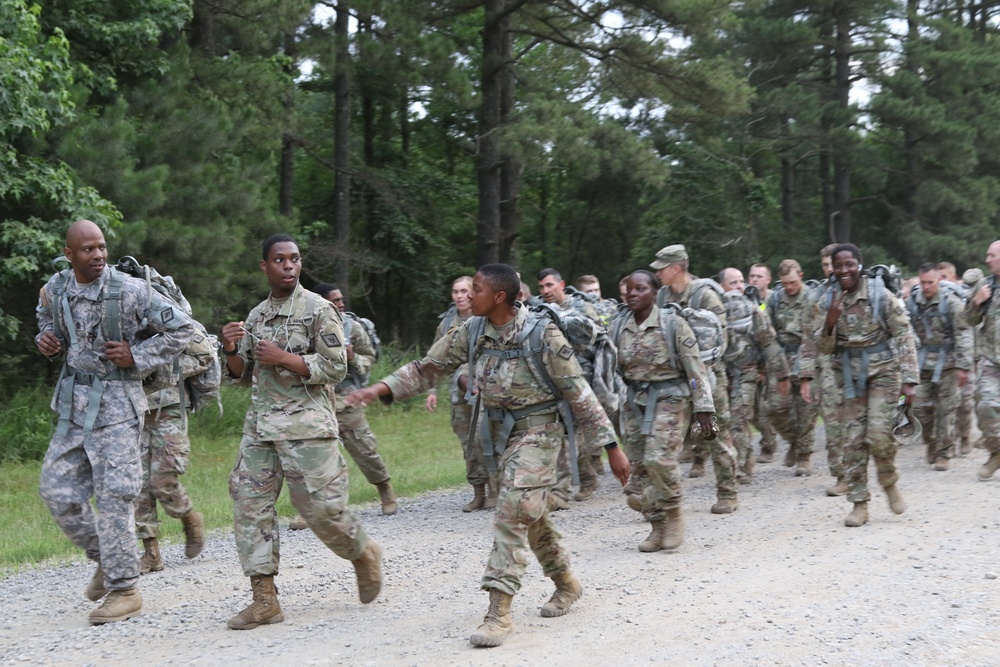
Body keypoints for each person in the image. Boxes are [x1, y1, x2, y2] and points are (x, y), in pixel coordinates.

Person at [345, 263, 629, 648]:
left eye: (476, 289)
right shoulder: (474, 329)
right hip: (497, 436)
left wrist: (611, 448)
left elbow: (578, 392)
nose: (468, 295)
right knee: (531, 513)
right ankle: (566, 583)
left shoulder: (542, 334)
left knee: (511, 511)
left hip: (540, 433)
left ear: (498, 297)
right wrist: (379, 388)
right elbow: (429, 367)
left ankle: (499, 610)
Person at [35, 220, 196, 624]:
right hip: (74, 408)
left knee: (115, 499)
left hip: (119, 408)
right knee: (56, 490)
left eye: (102, 247)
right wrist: (46, 341)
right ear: (70, 254)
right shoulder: (56, 289)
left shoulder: (129, 289)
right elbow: (45, 321)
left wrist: (137, 357)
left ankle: (125, 590)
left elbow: (183, 329)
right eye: (88, 249)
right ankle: (107, 559)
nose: (98, 255)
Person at [219, 234, 382, 630]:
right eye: (279, 260)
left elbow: (337, 367)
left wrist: (285, 358)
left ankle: (362, 553)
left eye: (294, 259)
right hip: (261, 428)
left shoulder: (319, 309)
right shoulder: (256, 316)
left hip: (307, 425)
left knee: (323, 512)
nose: (288, 266)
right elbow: (241, 375)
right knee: (248, 504)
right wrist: (228, 349)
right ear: (265, 266)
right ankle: (265, 600)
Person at [815, 244, 918, 527]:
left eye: (849, 264)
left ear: (859, 265)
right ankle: (859, 504)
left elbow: (904, 337)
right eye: (839, 266)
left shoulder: (880, 296)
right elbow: (822, 348)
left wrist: (909, 381)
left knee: (879, 436)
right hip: (848, 378)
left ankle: (889, 482)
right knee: (853, 442)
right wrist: (830, 323)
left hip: (883, 374)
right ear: (833, 269)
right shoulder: (827, 299)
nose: (844, 270)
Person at [613, 270, 715, 551]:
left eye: (640, 288)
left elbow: (695, 370)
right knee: (640, 466)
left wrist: (704, 407)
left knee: (659, 458)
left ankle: (674, 513)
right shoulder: (618, 325)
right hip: (634, 400)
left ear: (655, 292)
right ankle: (657, 527)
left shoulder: (674, 324)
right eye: (629, 289)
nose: (632, 294)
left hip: (670, 397)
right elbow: (610, 367)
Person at [651, 244, 739, 514]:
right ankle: (663, 500)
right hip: (676, 379)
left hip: (707, 377)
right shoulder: (663, 297)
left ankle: (728, 492)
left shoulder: (706, 295)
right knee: (666, 438)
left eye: (661, 269)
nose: (657, 275)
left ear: (676, 268)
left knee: (716, 433)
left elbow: (722, 337)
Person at [313, 283, 397, 515]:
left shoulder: (352, 328)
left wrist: (353, 359)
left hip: (346, 397)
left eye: (341, 300)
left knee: (363, 447)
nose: (341, 304)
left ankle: (385, 489)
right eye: (335, 300)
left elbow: (369, 358)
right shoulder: (306, 327)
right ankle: (317, 509)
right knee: (315, 456)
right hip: (315, 399)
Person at [425, 276, 495, 512]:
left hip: (485, 387)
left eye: (464, 291)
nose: (459, 296)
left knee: (485, 437)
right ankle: (478, 492)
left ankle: (495, 489)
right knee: (467, 442)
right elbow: (435, 357)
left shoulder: (486, 317)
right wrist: (432, 390)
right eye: (455, 291)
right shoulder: (447, 323)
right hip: (458, 393)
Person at [537, 268, 605, 505]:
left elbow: (599, 339)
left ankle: (578, 482)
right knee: (563, 432)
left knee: (576, 433)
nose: (545, 291)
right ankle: (571, 484)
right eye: (541, 287)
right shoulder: (540, 312)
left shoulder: (582, 308)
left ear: (561, 284)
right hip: (554, 380)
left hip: (582, 378)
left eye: (549, 285)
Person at [719, 268, 790, 483]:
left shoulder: (753, 310)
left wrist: (782, 375)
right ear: (722, 286)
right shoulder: (713, 312)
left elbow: (769, 343)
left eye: (741, 281)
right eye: (733, 282)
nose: (740, 286)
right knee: (723, 422)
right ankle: (726, 463)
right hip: (721, 375)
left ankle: (742, 467)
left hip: (747, 372)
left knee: (739, 420)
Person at [135, 363, 205, 573]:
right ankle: (151, 552)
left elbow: (203, 358)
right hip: (128, 406)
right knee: (136, 482)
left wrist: (154, 366)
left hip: (168, 404)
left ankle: (188, 517)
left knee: (162, 479)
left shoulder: (174, 328)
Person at [907, 264, 973, 471]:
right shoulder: (912, 304)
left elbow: (964, 335)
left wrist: (963, 367)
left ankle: (944, 453)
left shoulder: (952, 304)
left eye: (931, 282)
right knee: (918, 407)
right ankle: (931, 442)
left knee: (947, 410)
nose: (926, 287)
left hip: (949, 363)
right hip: (923, 363)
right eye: (923, 282)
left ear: (938, 281)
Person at [764, 260, 820, 483]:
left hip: (808, 356)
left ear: (802, 276)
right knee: (774, 407)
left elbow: (813, 336)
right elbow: (767, 332)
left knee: (807, 409)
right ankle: (795, 442)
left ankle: (804, 457)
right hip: (782, 359)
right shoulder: (774, 299)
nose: (789, 287)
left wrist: (806, 373)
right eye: (785, 283)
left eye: (793, 282)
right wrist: (777, 368)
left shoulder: (813, 298)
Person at [966, 240, 1000, 479]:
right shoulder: (985, 286)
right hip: (991, 359)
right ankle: (997, 451)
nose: (987, 260)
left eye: (991, 255)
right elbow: (968, 320)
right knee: (985, 407)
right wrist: (976, 302)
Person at [959, 267, 984, 453]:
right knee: (967, 399)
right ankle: (965, 435)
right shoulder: (960, 300)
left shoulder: (990, 297)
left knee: (981, 399)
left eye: (973, 285)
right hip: (967, 358)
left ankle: (983, 435)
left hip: (983, 357)